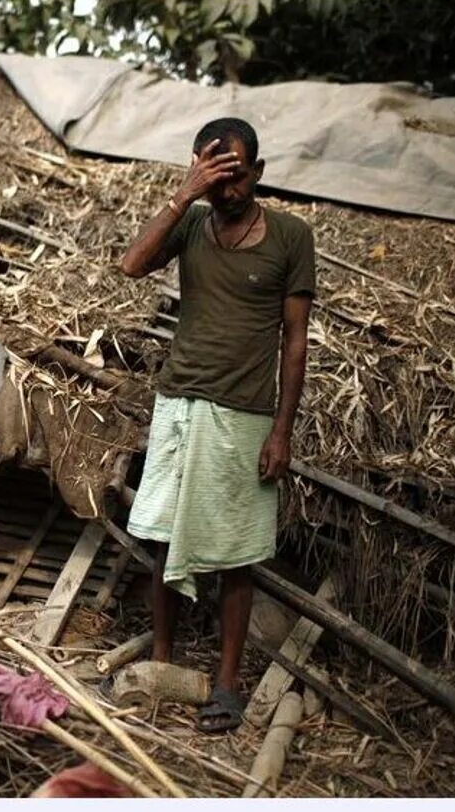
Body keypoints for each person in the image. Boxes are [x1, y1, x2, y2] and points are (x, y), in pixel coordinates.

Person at [118, 117, 315, 732]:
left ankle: (226, 685)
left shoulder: (290, 236)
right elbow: (131, 265)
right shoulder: (194, 223)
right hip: (179, 403)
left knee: (236, 554)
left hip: (245, 414)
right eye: (214, 173)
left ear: (257, 172)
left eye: (235, 174)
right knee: (162, 539)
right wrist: (183, 194)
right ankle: (161, 664)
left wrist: (281, 431)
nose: (226, 188)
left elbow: (297, 341)